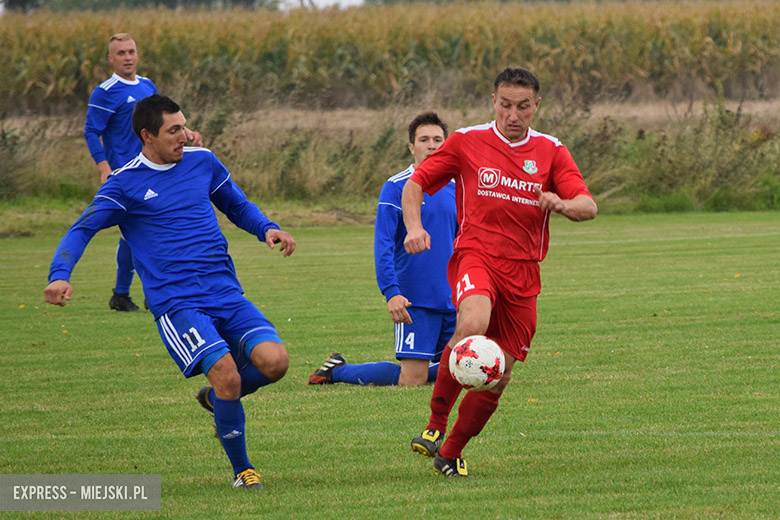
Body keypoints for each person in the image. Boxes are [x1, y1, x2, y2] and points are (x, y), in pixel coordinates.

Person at [45, 94, 295, 490]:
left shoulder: (203, 161)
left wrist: (267, 227)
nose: (185, 135)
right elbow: (82, 228)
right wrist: (60, 274)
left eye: (184, 126)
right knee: (228, 376)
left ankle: (217, 403)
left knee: (275, 362)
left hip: (225, 292)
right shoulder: (124, 184)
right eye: (174, 130)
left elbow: (237, 205)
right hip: (178, 304)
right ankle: (243, 472)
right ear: (147, 136)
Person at [403, 67, 598, 477]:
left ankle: (451, 453)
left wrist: (562, 205)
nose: (513, 114)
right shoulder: (468, 142)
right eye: (506, 104)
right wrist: (415, 226)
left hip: (524, 273)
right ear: (494, 101)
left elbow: (588, 205)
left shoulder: (551, 151)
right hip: (477, 256)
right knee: (472, 323)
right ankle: (435, 427)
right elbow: (416, 183)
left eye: (523, 106)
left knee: (499, 374)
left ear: (536, 106)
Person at [309, 112, 456, 386]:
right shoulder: (396, 186)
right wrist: (392, 293)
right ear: (412, 147)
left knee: (462, 371)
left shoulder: (459, 187)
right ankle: (336, 371)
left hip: (454, 299)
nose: (432, 145)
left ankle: (431, 368)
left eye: (438, 139)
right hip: (415, 300)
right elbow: (383, 245)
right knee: (412, 381)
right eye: (424, 140)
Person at [84, 33, 201, 311]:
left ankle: (137, 293)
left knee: (150, 230)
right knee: (132, 233)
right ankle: (127, 294)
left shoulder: (147, 85)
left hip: (155, 170)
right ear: (111, 58)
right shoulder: (105, 92)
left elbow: (163, 120)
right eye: (121, 53)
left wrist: (186, 133)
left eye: (131, 52)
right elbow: (91, 131)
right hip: (127, 174)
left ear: (138, 55)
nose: (127, 57)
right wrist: (104, 168)